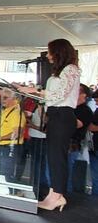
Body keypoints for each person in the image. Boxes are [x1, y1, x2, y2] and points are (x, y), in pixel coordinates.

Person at [17, 39, 81, 211]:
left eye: (50, 51)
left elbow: (60, 94)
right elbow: (52, 95)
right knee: (53, 157)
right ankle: (54, 194)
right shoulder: (62, 71)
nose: (48, 55)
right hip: (55, 116)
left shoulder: (71, 69)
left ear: (59, 52)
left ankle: (57, 195)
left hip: (62, 115)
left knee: (57, 157)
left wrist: (34, 91)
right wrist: (29, 90)